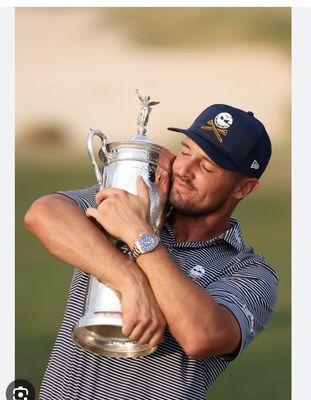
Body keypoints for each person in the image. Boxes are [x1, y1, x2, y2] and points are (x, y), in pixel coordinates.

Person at [25, 103, 279, 400]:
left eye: (207, 166)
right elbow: (43, 214)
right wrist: (130, 282)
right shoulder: (132, 197)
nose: (184, 170)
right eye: (185, 151)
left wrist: (140, 235)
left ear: (243, 188)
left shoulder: (251, 273)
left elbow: (203, 336)